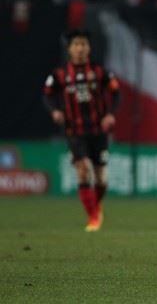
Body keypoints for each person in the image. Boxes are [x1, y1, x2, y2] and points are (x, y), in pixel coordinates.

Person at [43, 29, 120, 232]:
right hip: (74, 130)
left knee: (101, 176)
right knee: (83, 170)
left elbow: (116, 91)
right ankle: (93, 217)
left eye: (84, 44)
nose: (80, 48)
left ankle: (96, 205)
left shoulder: (100, 71)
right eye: (76, 44)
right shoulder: (59, 74)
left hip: (98, 130)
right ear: (69, 49)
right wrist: (55, 111)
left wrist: (110, 114)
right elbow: (48, 95)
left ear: (89, 48)